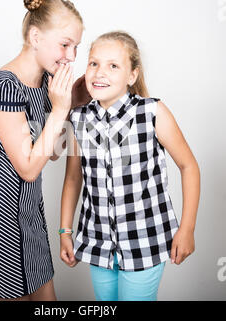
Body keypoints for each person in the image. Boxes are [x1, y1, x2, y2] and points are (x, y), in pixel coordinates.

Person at [59, 31, 200, 301]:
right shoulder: (76, 118)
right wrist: (65, 231)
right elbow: (73, 179)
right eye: (94, 63)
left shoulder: (153, 112)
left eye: (113, 66)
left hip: (144, 242)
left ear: (132, 75)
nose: (100, 73)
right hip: (97, 243)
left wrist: (188, 228)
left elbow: (189, 166)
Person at [0, 0, 84, 301]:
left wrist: (69, 105)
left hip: (28, 212)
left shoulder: (44, 85)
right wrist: (58, 111)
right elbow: (28, 168)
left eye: (76, 48)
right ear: (35, 36)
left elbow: (51, 153)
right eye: (65, 44)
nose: (71, 56)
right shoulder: (4, 85)